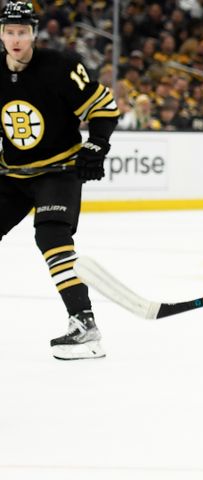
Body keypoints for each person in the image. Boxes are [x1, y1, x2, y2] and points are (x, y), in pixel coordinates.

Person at [0, 1, 119, 359]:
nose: (16, 39)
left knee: (51, 235)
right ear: (1, 34)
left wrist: (96, 146)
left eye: (22, 32)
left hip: (58, 170)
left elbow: (104, 107)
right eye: (9, 31)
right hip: (13, 173)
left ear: (34, 32)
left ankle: (84, 325)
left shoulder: (60, 67)